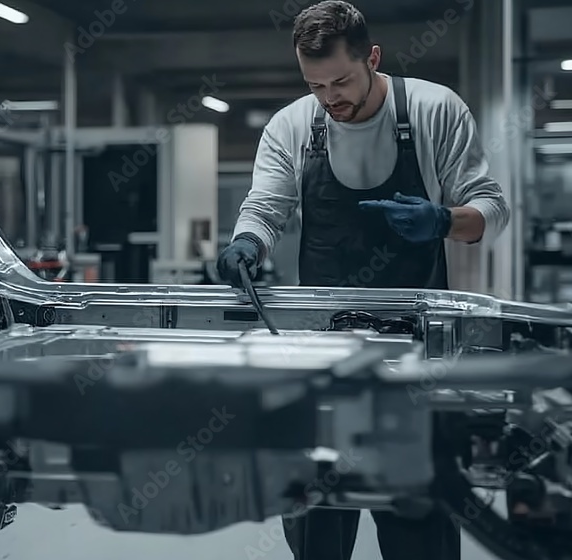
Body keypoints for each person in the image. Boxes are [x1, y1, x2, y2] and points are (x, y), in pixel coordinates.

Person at [215, 1, 510, 559]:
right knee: (316, 523)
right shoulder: (294, 124)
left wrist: (444, 220)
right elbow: (267, 205)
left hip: (417, 358)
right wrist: (247, 243)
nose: (330, 99)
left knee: (418, 523)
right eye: (315, 85)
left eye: (341, 81)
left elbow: (491, 210)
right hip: (320, 358)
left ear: (372, 57)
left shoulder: (433, 109)